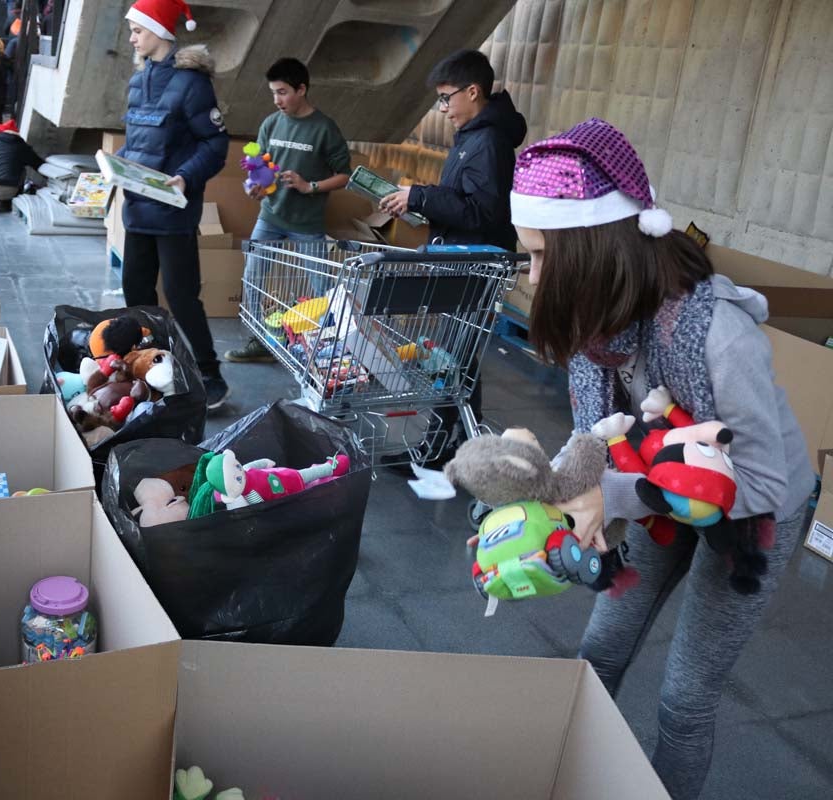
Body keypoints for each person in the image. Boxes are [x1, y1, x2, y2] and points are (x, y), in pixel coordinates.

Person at [506, 118, 812, 800]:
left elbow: (760, 481)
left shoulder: (718, 336)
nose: (531, 278)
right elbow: (590, 446)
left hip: (757, 514)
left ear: (594, 250)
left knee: (684, 699)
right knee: (599, 653)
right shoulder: (599, 328)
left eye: (540, 256)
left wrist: (613, 498)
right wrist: (534, 515)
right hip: (660, 492)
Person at [120, 0, 229, 409]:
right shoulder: (138, 79)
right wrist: (117, 169)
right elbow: (135, 142)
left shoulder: (192, 83)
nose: (132, 39)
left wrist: (186, 176)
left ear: (160, 31)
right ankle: (153, 362)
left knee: (181, 295)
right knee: (135, 289)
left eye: (137, 30)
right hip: (137, 207)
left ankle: (210, 374)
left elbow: (215, 144)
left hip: (173, 210)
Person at [225, 57, 351, 364]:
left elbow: (345, 175)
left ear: (302, 89)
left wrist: (310, 187)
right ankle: (259, 340)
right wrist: (254, 186)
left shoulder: (324, 129)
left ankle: (328, 346)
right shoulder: (271, 123)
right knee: (253, 277)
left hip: (308, 222)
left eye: (282, 92)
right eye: (273, 93)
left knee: (323, 287)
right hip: (270, 216)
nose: (277, 99)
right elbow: (260, 167)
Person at [380, 49, 527, 250]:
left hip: (474, 267)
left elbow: (482, 212)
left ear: (473, 92)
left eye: (445, 98)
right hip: (458, 259)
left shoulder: (489, 142)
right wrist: (414, 197)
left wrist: (420, 197)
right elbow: (458, 198)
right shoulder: (471, 138)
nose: (442, 108)